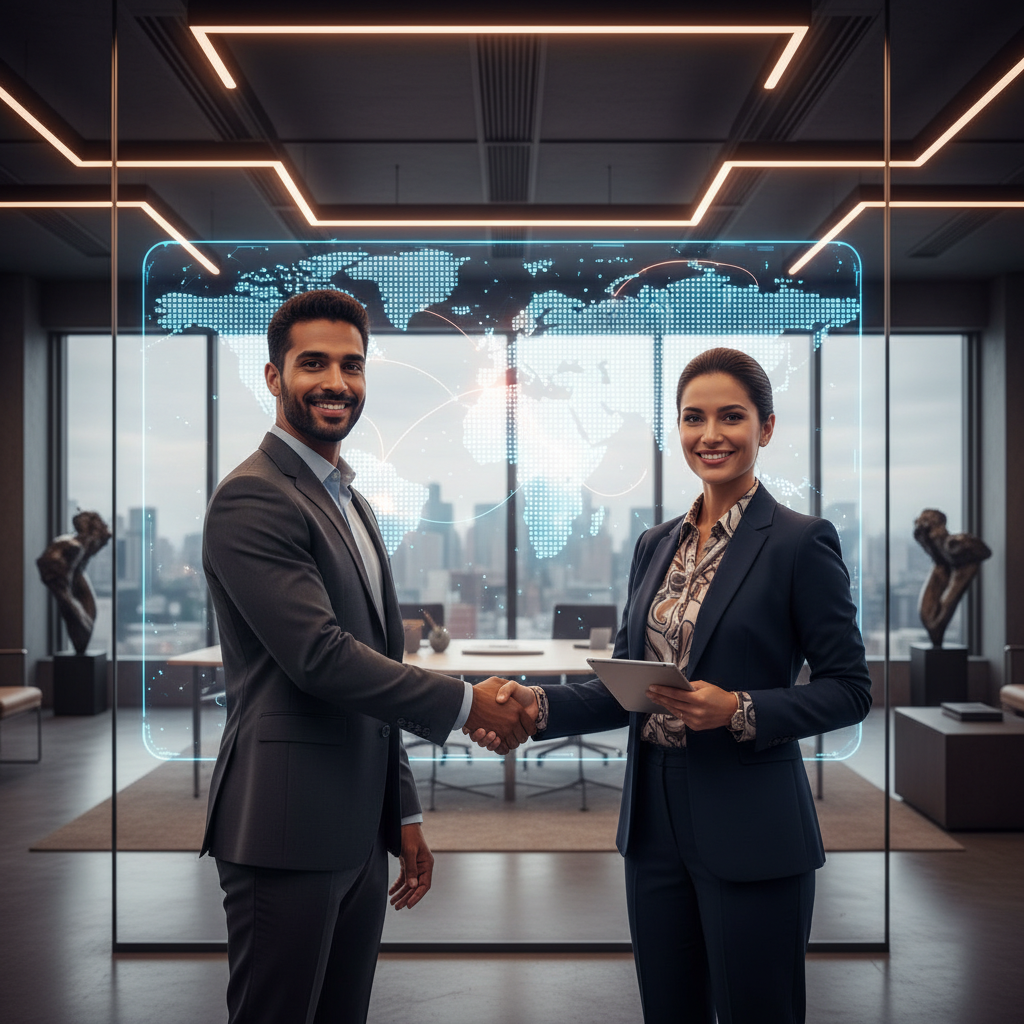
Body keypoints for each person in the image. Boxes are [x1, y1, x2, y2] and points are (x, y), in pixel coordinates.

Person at [471, 347, 872, 1024]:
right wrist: (537, 706)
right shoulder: (656, 544)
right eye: (693, 418)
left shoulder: (801, 543)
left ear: (765, 428)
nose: (710, 433)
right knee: (668, 1009)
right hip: (654, 818)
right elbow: (630, 684)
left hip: (751, 820)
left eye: (731, 416)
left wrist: (740, 709)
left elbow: (851, 688)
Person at [201, 289, 535, 1024]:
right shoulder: (253, 498)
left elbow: (374, 663)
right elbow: (320, 658)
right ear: (272, 376)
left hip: (357, 829)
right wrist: (466, 703)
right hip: (286, 827)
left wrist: (403, 813)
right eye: (312, 363)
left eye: (351, 365)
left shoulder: (352, 501)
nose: (336, 383)